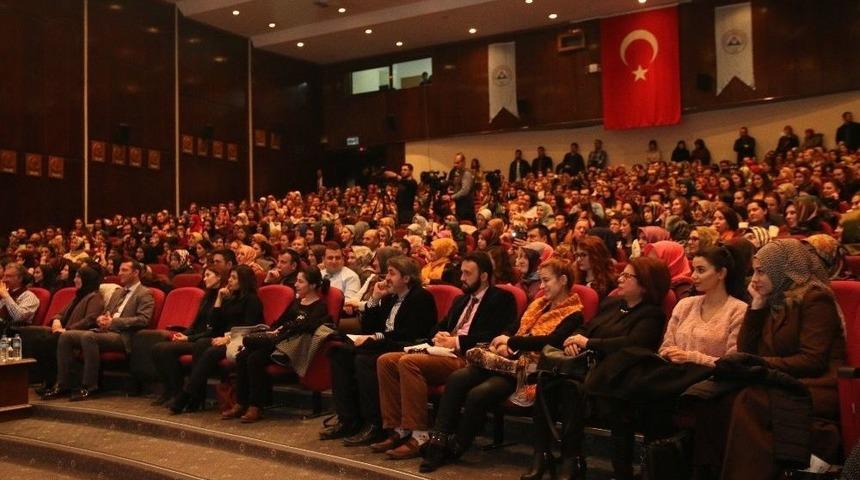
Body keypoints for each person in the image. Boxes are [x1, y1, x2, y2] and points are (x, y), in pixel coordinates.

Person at [691, 240, 844, 479]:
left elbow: (813, 360)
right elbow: (746, 349)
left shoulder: (815, 299)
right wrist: (757, 305)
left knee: (748, 399)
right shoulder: (773, 299)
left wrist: (761, 367)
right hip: (778, 378)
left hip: (816, 384)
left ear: (782, 269)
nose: (754, 279)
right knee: (712, 396)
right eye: (753, 271)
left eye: (761, 271)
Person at [420, 258, 583, 473]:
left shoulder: (574, 312)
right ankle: (438, 440)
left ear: (563, 280)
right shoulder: (537, 304)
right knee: (458, 378)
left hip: (527, 371)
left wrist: (511, 343)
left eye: (546, 281)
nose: (541, 286)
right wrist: (503, 340)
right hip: (505, 360)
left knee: (479, 394)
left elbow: (551, 341)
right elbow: (513, 328)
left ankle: (457, 445)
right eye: (540, 281)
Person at [521, 257, 671, 480]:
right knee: (546, 380)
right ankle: (541, 454)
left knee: (572, 388)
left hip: (614, 378)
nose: (620, 278)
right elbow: (585, 328)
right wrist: (573, 340)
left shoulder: (652, 314)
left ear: (645, 284)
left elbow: (632, 345)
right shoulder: (612, 305)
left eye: (628, 276)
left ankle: (572, 460)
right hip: (585, 367)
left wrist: (588, 343)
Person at [374, 252, 517, 460]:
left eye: (468, 274)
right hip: (443, 352)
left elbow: (496, 334)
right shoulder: (460, 300)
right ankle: (398, 429)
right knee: (385, 360)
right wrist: (439, 335)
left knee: (408, 362)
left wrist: (457, 341)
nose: (462, 278)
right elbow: (438, 327)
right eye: (462, 273)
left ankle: (419, 435)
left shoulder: (502, 298)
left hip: (469, 358)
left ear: (484, 276)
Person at [321, 256, 437, 445]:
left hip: (406, 346)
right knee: (339, 353)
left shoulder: (420, 297)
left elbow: (410, 333)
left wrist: (376, 337)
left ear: (406, 278)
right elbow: (369, 327)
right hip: (385, 343)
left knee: (363, 360)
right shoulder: (391, 297)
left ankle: (374, 424)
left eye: (392, 273)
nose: (386, 278)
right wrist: (374, 299)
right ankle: (348, 420)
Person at [223, 268, 332, 423]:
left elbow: (309, 327)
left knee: (254, 358)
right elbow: (280, 321)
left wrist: (287, 327)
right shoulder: (296, 302)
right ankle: (241, 402)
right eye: (297, 281)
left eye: (301, 281)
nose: (296, 284)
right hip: (279, 341)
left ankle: (256, 406)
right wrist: (274, 330)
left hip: (293, 348)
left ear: (313, 285)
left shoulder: (320, 306)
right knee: (242, 356)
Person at [45, 260, 154, 401]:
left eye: (124, 270)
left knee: (88, 337)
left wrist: (113, 322)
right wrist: (102, 319)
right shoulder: (118, 292)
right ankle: (63, 383)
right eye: (119, 269)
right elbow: (107, 312)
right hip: (106, 331)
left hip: (124, 336)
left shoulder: (145, 293)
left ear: (136, 272)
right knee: (67, 336)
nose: (119, 273)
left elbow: (143, 319)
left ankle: (89, 386)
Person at [169, 265, 263, 414]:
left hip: (241, 341)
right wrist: (219, 298)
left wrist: (227, 340)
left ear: (243, 281)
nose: (229, 281)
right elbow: (213, 324)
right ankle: (195, 396)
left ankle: (186, 395)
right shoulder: (230, 298)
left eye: (234, 278)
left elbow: (250, 328)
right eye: (230, 277)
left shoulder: (252, 300)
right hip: (226, 338)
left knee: (211, 352)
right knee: (201, 344)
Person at [149, 266, 223, 405]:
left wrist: (188, 338)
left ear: (219, 277)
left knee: (165, 350)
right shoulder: (206, 297)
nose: (205, 278)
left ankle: (178, 393)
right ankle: (171, 390)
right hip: (196, 337)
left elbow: (214, 329)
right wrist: (182, 334)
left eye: (208, 275)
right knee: (157, 348)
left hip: (206, 339)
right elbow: (195, 325)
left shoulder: (222, 297)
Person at [32, 265, 104, 394]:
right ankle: (48, 381)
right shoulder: (78, 296)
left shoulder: (94, 297)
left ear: (87, 279)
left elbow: (90, 319)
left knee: (47, 343)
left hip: (75, 335)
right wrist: (56, 320)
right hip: (64, 332)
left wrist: (67, 329)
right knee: (38, 340)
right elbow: (61, 313)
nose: (75, 280)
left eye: (78, 277)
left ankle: (54, 382)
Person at [573, 235, 617, 300]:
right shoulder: (577, 279)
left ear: (596, 256)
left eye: (583, 255)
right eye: (578, 255)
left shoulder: (610, 282)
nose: (578, 259)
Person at [0, 262, 41, 332]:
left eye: (8, 276)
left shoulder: (29, 296)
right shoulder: (5, 293)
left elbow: (19, 317)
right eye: (4, 276)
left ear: (20, 278)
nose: (3, 280)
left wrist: (6, 296)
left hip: (15, 335)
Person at [447, 153, 476, 223]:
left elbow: (465, 190)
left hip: (466, 207)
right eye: (454, 163)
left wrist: (452, 197)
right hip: (459, 205)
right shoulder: (457, 173)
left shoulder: (467, 174)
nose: (455, 165)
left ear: (463, 162)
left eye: (457, 163)